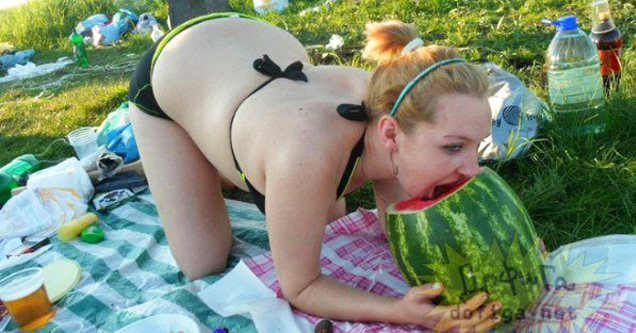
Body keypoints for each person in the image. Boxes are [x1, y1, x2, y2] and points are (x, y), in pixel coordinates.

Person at [129, 13, 498, 331]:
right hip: (178, 63)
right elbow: (301, 286)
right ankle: (176, 151)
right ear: (390, 133)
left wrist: (498, 249)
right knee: (203, 262)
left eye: (475, 146)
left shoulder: (397, 106)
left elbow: (394, 231)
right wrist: (398, 311)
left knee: (328, 218)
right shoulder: (304, 158)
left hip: (255, 45)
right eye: (453, 147)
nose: (472, 170)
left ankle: (227, 161)